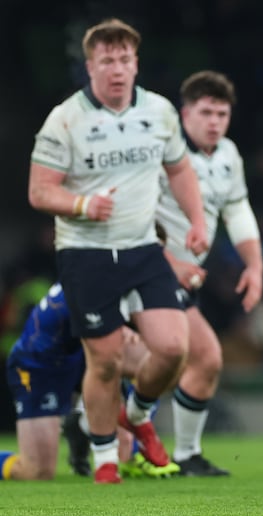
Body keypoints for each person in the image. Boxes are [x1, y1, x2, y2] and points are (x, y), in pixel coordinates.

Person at [27, 18, 208, 483]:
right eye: (107, 61)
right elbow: (40, 191)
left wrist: (198, 222)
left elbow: (180, 170)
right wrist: (83, 204)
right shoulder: (64, 119)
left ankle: (137, 412)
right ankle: (106, 459)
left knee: (172, 348)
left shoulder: (160, 112)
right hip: (85, 252)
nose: (117, 69)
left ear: (135, 64)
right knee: (105, 359)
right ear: (91, 67)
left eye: (124, 60)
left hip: (142, 247)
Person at [156, 70, 263, 476]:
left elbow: (237, 211)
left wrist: (254, 266)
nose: (215, 121)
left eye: (222, 113)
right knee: (188, 357)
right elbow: (136, 215)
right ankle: (98, 428)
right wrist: (170, 262)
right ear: (185, 114)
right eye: (206, 112)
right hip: (145, 271)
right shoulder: (162, 152)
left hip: (185, 281)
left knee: (199, 360)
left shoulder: (228, 155)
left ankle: (183, 454)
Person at [0, 283, 178, 480]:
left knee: (160, 360)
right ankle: (88, 423)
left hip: (84, 351)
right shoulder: (89, 272)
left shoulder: (128, 268)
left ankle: (104, 433)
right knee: (36, 471)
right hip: (40, 364)